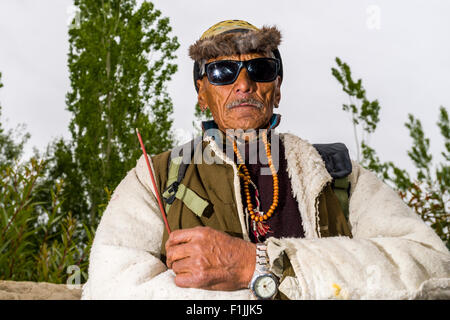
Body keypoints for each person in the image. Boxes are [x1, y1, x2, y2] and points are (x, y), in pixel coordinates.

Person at [82, 20, 450, 300]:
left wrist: (255, 264)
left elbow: (432, 265)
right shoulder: (156, 177)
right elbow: (111, 287)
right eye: (222, 71)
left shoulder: (337, 174)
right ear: (202, 93)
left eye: (260, 70)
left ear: (277, 88)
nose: (243, 84)